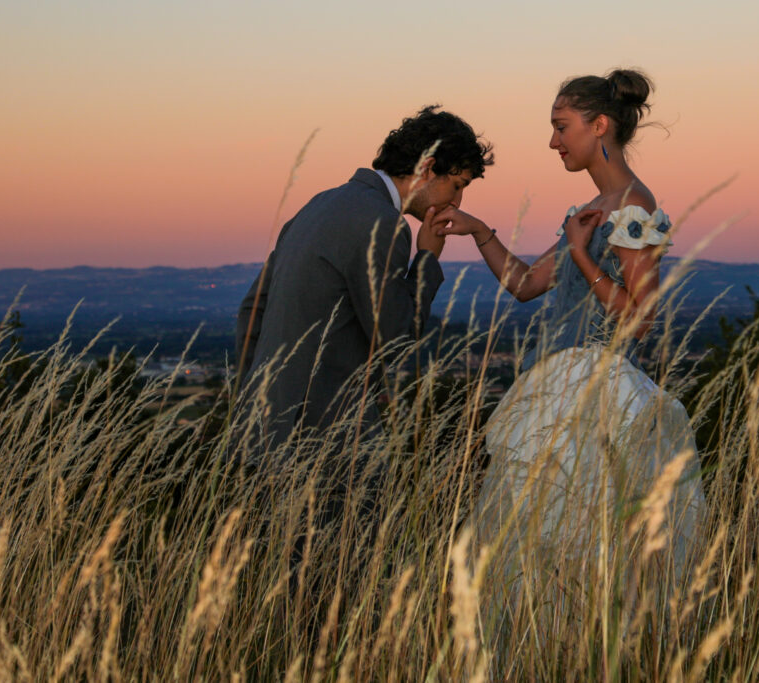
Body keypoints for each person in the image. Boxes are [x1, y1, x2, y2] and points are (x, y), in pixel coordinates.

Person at [437, 69, 705, 636]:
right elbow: (527, 284)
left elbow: (641, 316)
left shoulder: (633, 204)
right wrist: (480, 230)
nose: (554, 141)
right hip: (556, 388)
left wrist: (583, 253)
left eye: (562, 127)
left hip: (596, 394)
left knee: (577, 538)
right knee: (537, 541)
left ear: (599, 124)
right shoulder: (597, 204)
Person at [234, 105, 493, 457]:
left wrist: (252, 400)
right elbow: (398, 337)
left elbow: (252, 310)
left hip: (263, 429)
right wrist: (427, 258)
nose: (457, 200)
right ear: (430, 169)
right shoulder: (383, 223)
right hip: (326, 436)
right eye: (457, 185)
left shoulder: (316, 206)